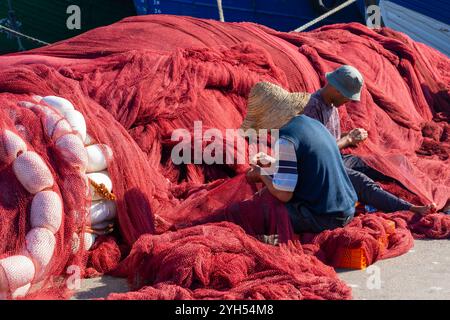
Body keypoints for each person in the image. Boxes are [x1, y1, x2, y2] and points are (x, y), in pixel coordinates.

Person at [301, 65, 436, 215]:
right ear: (337, 90)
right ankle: (411, 208)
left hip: (337, 158)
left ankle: (425, 194)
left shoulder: (331, 104)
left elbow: (329, 137)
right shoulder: (313, 107)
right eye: (347, 96)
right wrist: (349, 139)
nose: (348, 101)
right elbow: (318, 151)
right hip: (320, 168)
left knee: (385, 163)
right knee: (361, 181)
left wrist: (348, 135)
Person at [246, 114, 358, 233]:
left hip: (328, 218)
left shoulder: (285, 139)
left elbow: (284, 194)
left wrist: (261, 174)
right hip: (348, 209)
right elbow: (305, 166)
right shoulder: (313, 124)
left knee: (257, 212)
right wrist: (271, 162)